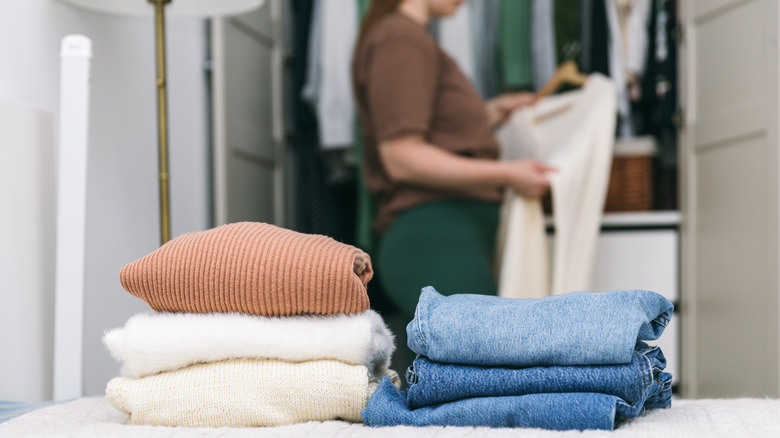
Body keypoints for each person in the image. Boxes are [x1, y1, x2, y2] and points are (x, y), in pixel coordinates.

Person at [352, 0, 554, 319]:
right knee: (484, 355)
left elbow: (430, 131)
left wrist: (489, 114)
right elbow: (401, 156)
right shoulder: (400, 39)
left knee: (471, 361)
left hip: (445, 238)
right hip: (433, 237)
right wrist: (507, 174)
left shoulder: (409, 38)